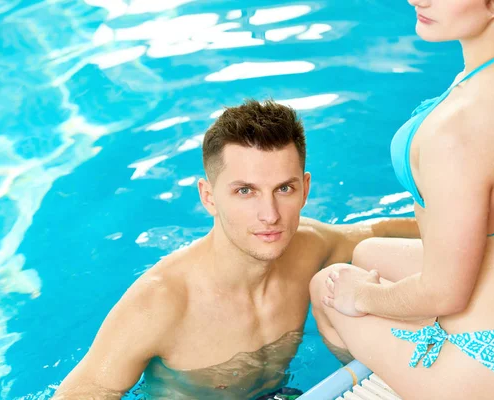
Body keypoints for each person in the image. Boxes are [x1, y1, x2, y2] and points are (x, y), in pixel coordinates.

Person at [53, 99, 425, 400]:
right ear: (208, 197)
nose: (270, 215)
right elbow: (85, 391)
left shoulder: (308, 247)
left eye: (284, 188)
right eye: (245, 191)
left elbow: (379, 231)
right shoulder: (160, 303)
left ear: (305, 188)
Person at [310, 0, 494, 399]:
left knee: (328, 286)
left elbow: (446, 292)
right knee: (367, 252)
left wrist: (362, 295)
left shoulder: (454, 131)